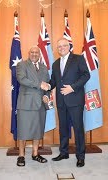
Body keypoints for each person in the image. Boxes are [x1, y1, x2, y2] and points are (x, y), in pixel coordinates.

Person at [42, 38, 90, 167]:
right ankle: (64, 152)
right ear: (57, 49)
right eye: (59, 47)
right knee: (63, 128)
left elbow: (86, 75)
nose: (61, 48)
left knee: (78, 129)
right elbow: (54, 81)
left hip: (75, 100)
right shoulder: (55, 64)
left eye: (64, 45)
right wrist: (48, 86)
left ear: (69, 47)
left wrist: (72, 87)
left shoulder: (78, 59)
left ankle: (80, 156)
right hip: (61, 101)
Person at [15, 46, 50, 167]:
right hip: (26, 103)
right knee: (23, 130)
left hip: (40, 103)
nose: (34, 54)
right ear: (28, 53)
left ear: (39, 54)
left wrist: (47, 95)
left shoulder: (44, 68)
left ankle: (35, 154)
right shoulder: (22, 65)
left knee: (37, 130)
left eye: (37, 52)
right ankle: (21, 155)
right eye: (32, 52)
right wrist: (39, 85)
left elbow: (48, 84)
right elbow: (22, 79)